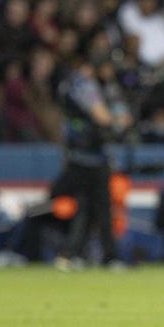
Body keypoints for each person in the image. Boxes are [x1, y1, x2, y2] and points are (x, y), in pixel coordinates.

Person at [54, 60, 129, 270]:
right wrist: (116, 122)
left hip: (83, 156)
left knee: (87, 207)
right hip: (88, 158)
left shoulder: (76, 85)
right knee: (99, 207)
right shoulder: (82, 84)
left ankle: (73, 254)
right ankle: (107, 256)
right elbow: (103, 116)